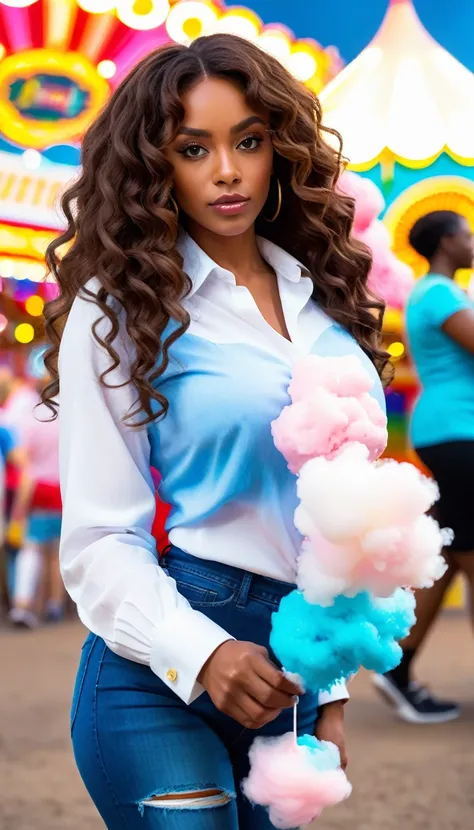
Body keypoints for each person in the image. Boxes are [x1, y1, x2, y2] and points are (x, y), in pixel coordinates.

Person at [43, 35, 389, 829]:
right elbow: (100, 537)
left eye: (250, 141)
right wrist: (203, 653)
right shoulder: (117, 308)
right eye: (193, 148)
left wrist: (329, 689)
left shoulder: (322, 297)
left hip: (290, 670)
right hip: (156, 666)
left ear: (281, 149)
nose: (226, 170)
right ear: (154, 163)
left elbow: (334, 526)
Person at [373, 210, 474, 723]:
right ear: (446, 242)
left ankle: (396, 666)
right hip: (460, 433)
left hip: (450, 431)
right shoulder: (438, 294)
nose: (473, 240)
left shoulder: (441, 294)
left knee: (453, 554)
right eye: (466, 232)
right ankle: (395, 667)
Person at [8, 373, 63, 629]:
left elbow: (26, 465)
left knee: (33, 548)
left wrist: (19, 509)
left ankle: (26, 604)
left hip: (38, 489)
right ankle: (55, 604)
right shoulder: (68, 416)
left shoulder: (34, 417)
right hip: (63, 489)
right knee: (57, 553)